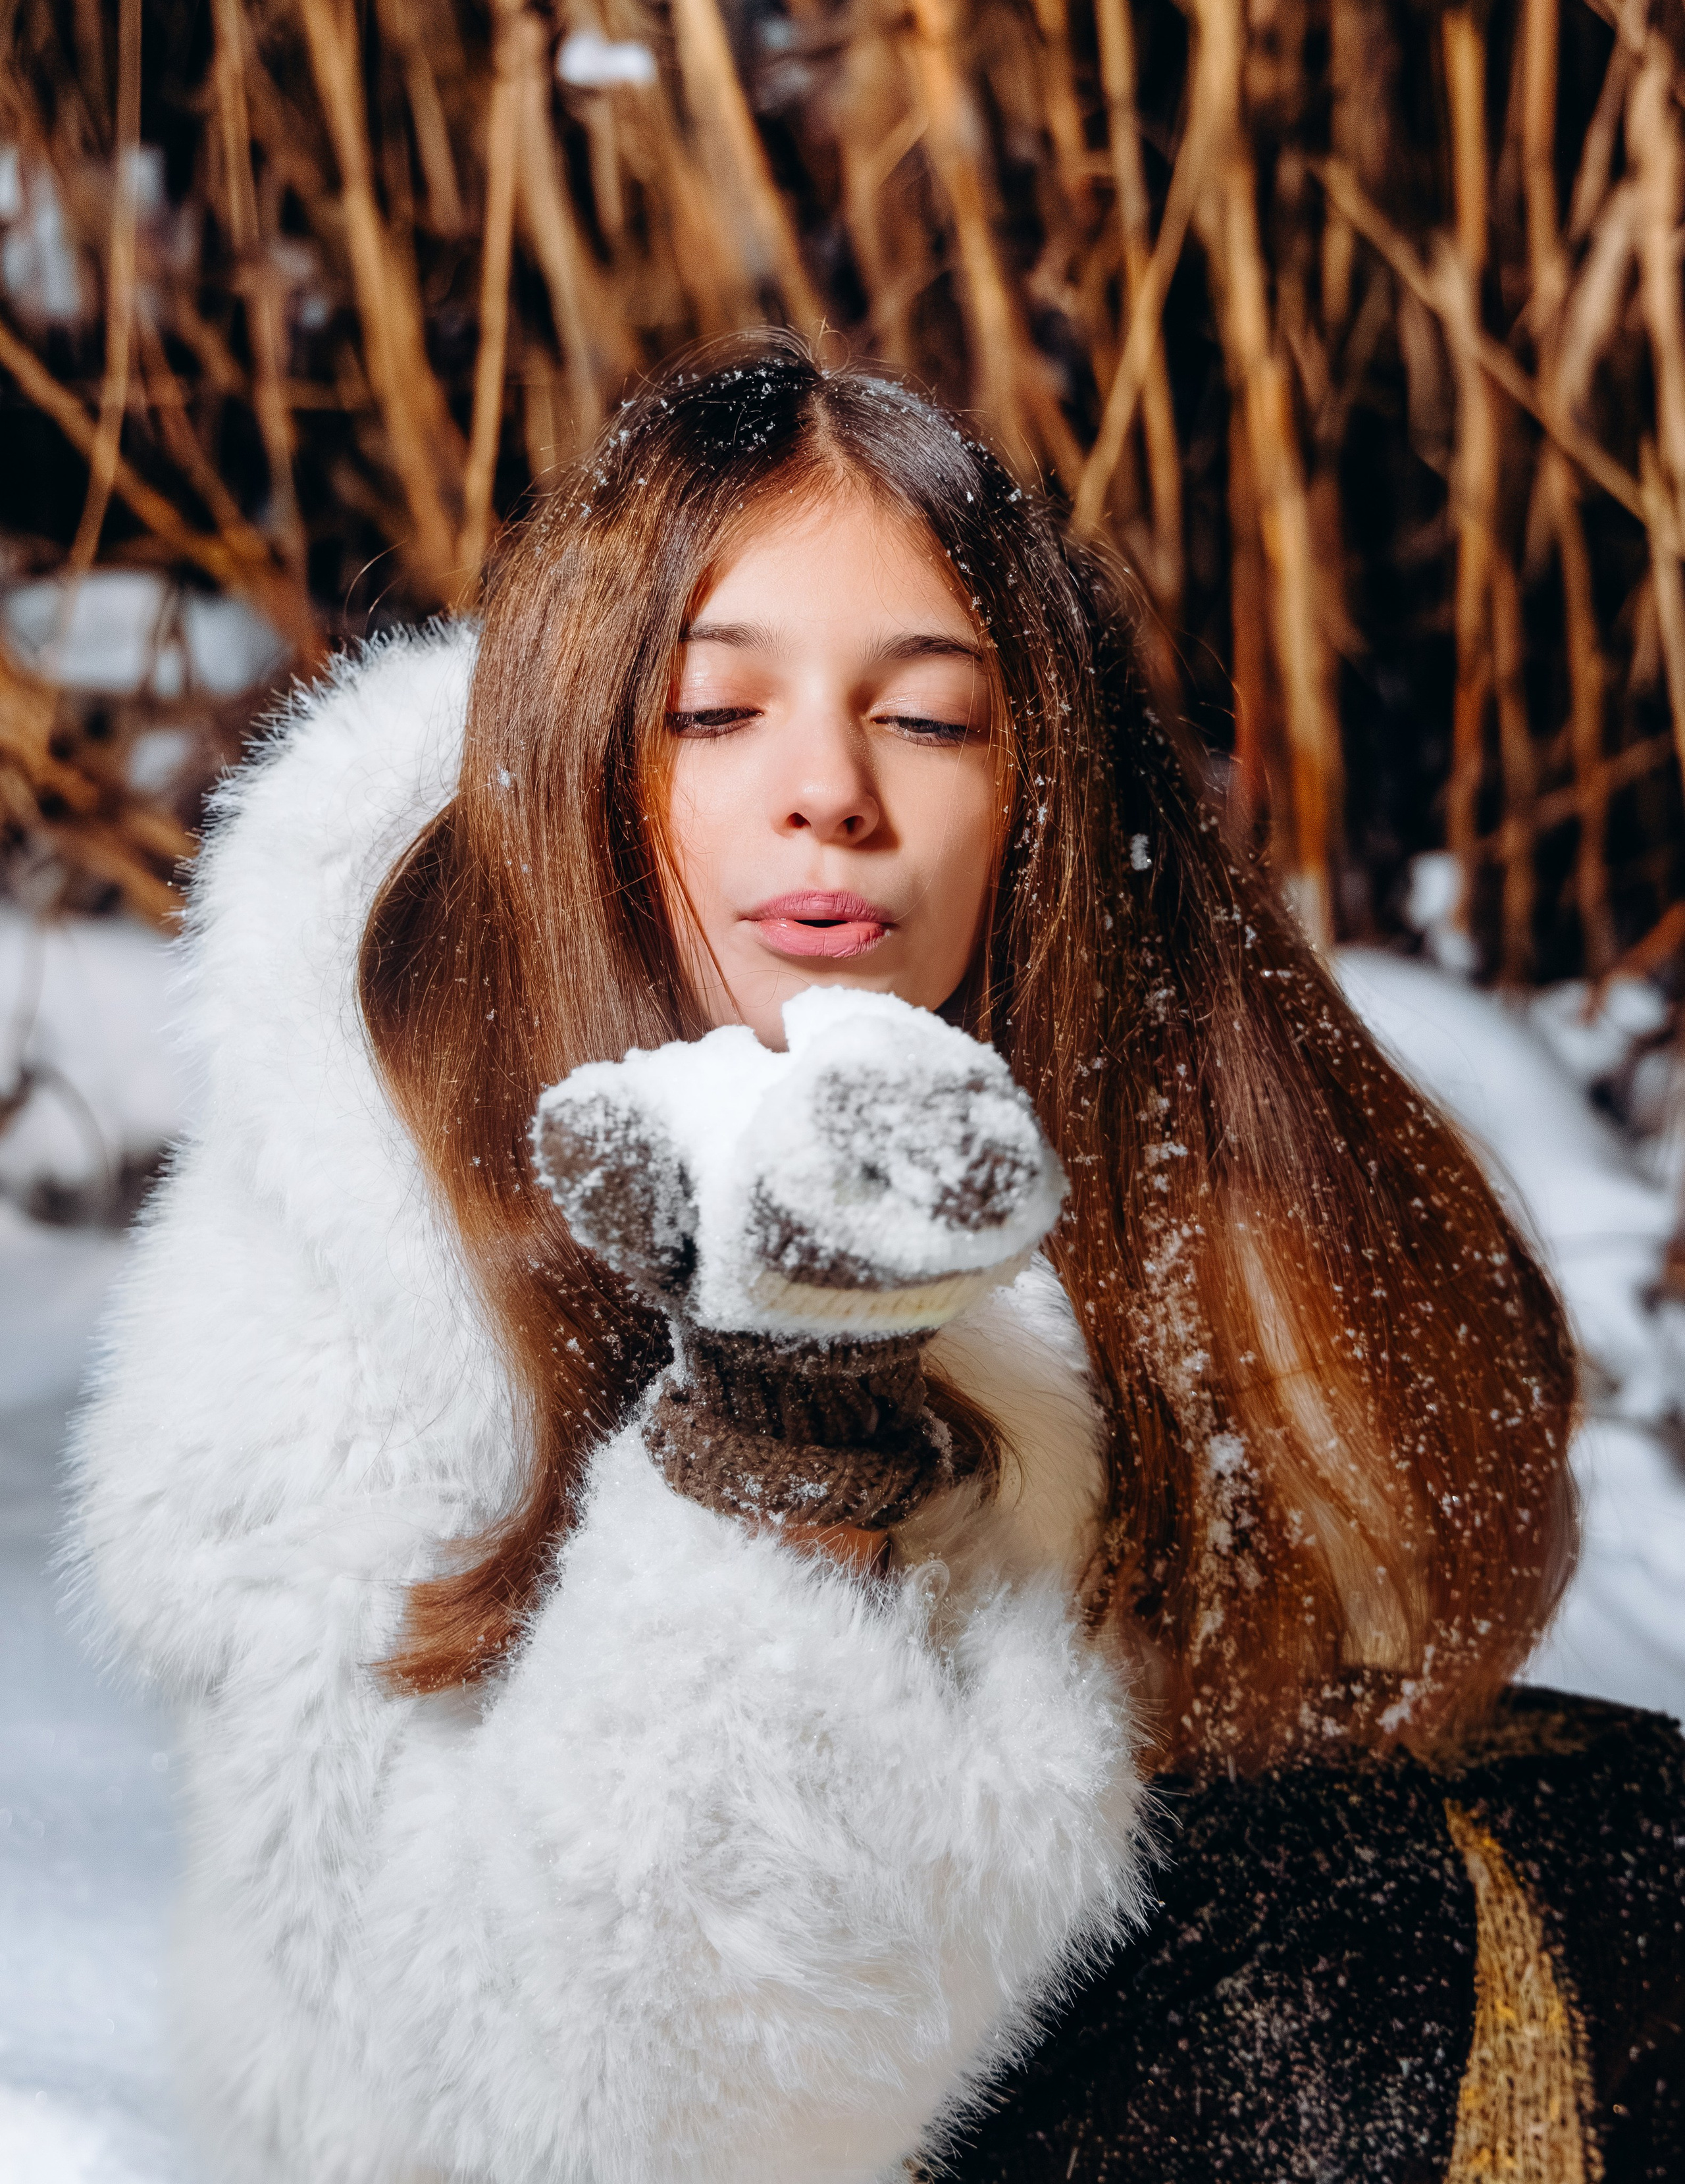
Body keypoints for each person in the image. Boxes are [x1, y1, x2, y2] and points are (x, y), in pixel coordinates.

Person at [70, 335, 1681, 2183]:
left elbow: (1376, 1664)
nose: (829, 789)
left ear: (1033, 793)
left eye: (927, 720)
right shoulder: (377, 1255)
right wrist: (784, 1434)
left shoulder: (1139, 1125)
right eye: (715, 714)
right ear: (584, 762)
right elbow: (537, 2115)